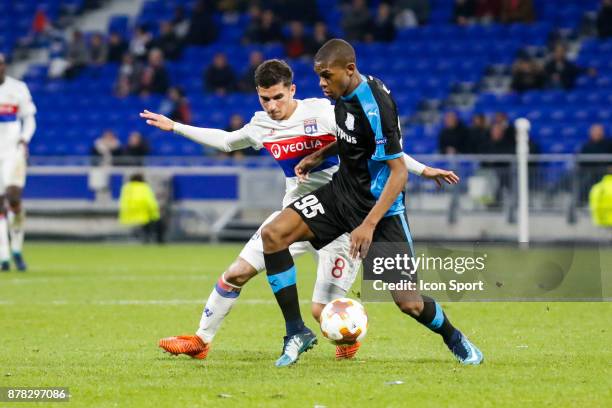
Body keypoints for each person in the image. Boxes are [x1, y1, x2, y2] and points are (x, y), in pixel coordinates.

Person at [140, 59, 460, 361]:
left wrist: (420, 169)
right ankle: (201, 340)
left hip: (341, 216)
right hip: (295, 215)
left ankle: (349, 337)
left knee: (324, 313)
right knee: (235, 274)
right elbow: (226, 142)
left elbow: (374, 143)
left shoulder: (322, 113)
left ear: (292, 90)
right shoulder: (261, 124)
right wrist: (175, 127)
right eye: (265, 99)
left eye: (278, 97)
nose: (272, 106)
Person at [258, 39, 482, 367]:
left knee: (409, 303)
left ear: (349, 70)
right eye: (319, 76)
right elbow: (349, 139)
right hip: (340, 194)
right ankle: (296, 331)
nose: (321, 83)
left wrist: (368, 225)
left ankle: (454, 337)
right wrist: (317, 156)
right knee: (273, 234)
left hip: (381, 211)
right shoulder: (340, 94)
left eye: (326, 76)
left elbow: (398, 173)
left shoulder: (376, 105)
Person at [0, 54, 36, 272]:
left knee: (14, 198)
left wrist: (24, 139)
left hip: (13, 149)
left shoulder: (18, 88)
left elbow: (29, 117)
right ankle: (4, 256)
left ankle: (17, 248)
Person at [118, 173, 163, 243]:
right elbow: (150, 202)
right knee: (159, 223)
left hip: (127, 215)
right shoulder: (144, 187)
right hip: (143, 214)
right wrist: (156, 211)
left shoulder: (126, 188)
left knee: (148, 223)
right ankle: (158, 241)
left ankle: (146, 237)